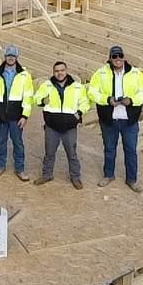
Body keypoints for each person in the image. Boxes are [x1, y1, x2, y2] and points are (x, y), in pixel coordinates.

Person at [88, 45, 143, 192]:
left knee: (130, 150)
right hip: (109, 120)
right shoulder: (101, 73)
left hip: (129, 120)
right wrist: (106, 99)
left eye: (120, 56)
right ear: (110, 58)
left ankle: (132, 179)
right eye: (115, 56)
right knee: (109, 149)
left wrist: (132, 100)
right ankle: (109, 175)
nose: (118, 59)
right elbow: (92, 92)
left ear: (124, 57)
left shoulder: (135, 74)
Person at [33, 60, 90, 189]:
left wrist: (79, 113)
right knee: (49, 152)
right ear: (53, 72)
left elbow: (85, 103)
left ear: (66, 71)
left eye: (62, 70)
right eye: (57, 71)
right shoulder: (47, 85)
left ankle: (75, 177)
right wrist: (42, 100)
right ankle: (47, 175)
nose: (60, 73)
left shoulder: (77, 87)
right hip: (52, 126)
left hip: (69, 127)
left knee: (72, 153)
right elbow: (36, 98)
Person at [0, 45, 34, 180]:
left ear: (17, 57)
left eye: (13, 56)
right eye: (8, 56)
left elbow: (28, 96)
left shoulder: (24, 75)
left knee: (17, 142)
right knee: (0, 142)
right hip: (1, 115)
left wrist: (25, 115)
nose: (11, 58)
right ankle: (0, 166)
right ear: (5, 57)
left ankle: (20, 169)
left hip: (16, 115)